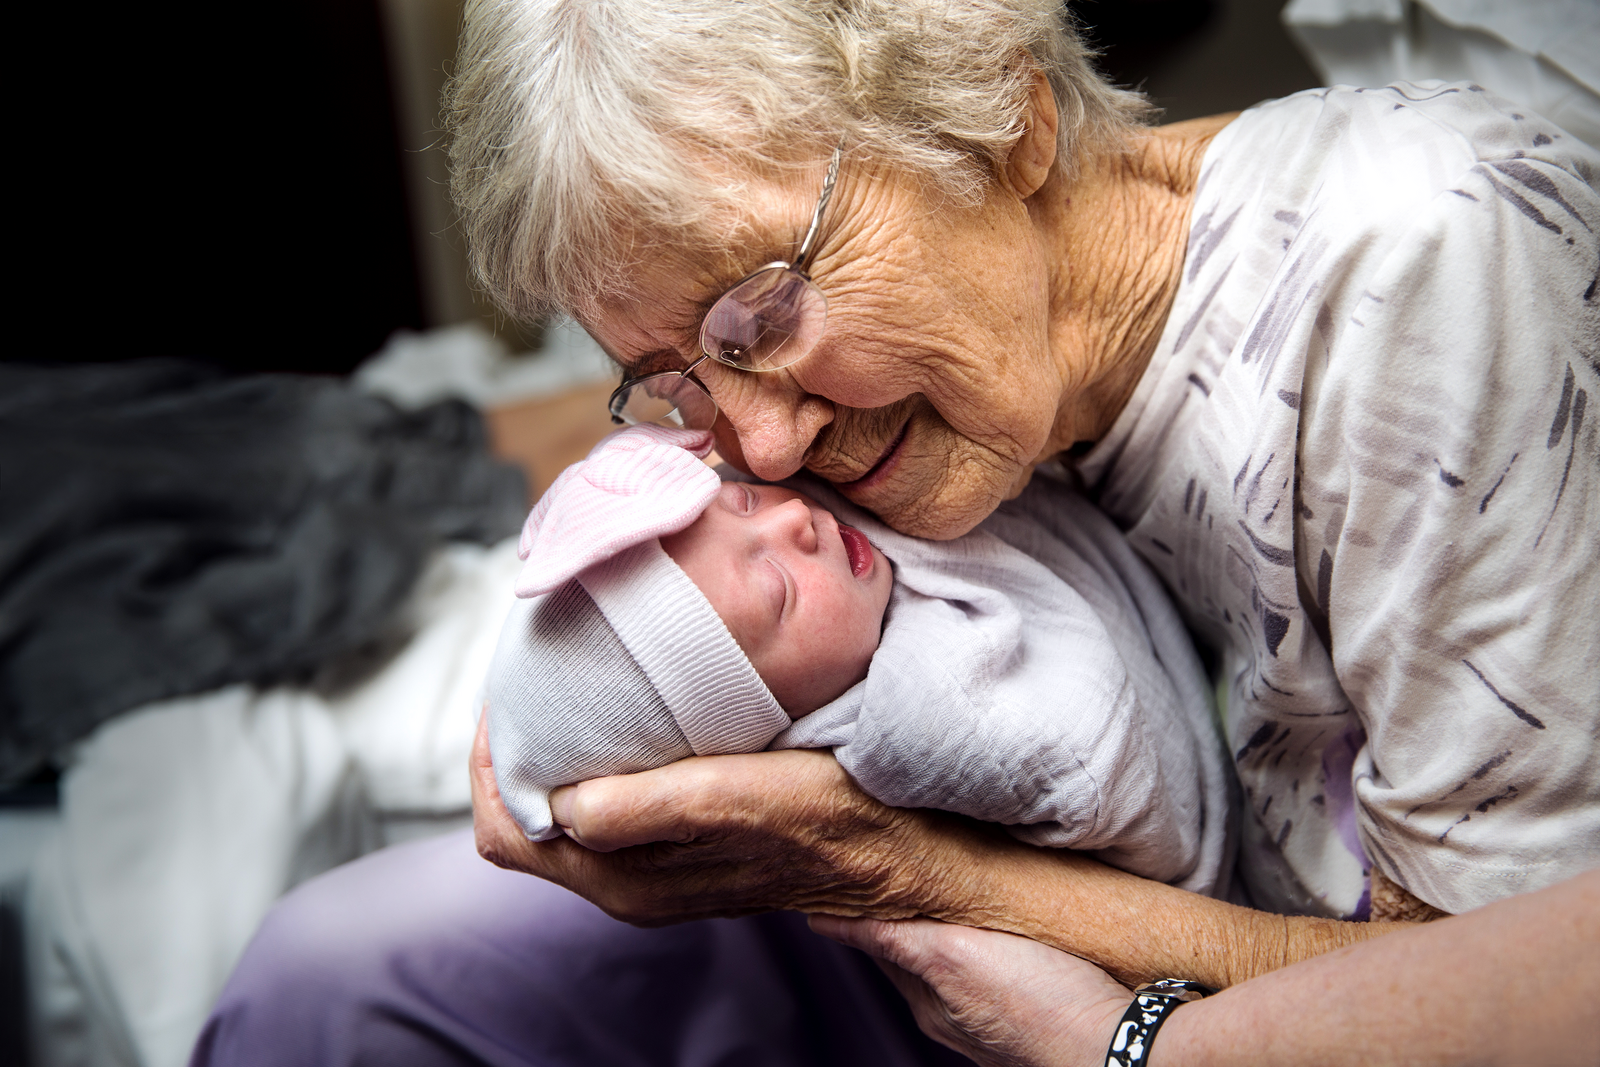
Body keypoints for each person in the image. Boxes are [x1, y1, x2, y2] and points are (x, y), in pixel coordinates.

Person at [194, 1, 1600, 1064]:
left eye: (762, 315)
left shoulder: (1421, 270)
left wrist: (925, 876)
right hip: (1097, 907)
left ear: (1005, 112)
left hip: (1231, 992)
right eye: (679, 375)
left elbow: (1482, 989)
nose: (760, 447)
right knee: (338, 973)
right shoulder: (959, 385)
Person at [486, 422, 1231, 890]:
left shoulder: (812, 530)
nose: (795, 520)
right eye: (778, 590)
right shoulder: (924, 713)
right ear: (775, 719)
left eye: (739, 503)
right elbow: (1081, 750)